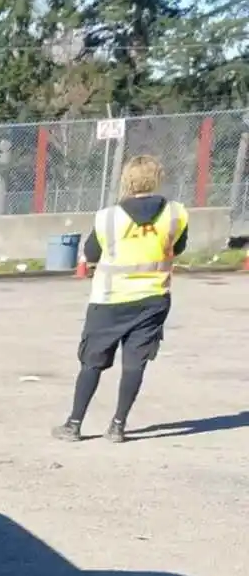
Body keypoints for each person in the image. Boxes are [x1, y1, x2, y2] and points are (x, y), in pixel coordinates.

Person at [53, 155, 189, 444]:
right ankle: (118, 426)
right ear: (156, 179)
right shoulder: (176, 214)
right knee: (135, 364)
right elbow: (177, 248)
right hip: (153, 298)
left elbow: (90, 255)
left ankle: (74, 424)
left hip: (109, 300)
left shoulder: (108, 217)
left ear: (127, 180)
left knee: (91, 362)